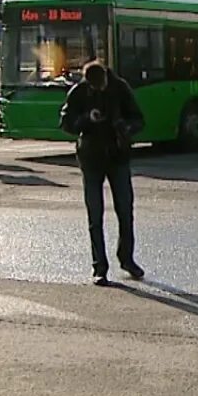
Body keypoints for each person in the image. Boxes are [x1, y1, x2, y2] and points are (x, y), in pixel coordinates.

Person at [59, 61, 146, 285]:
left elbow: (139, 119)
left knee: (125, 211)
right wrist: (87, 119)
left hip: (118, 156)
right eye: (94, 87)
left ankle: (127, 259)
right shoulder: (79, 92)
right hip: (91, 158)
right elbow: (66, 122)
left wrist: (125, 127)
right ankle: (100, 267)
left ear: (107, 76)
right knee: (94, 214)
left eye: (102, 85)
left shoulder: (120, 88)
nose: (99, 89)